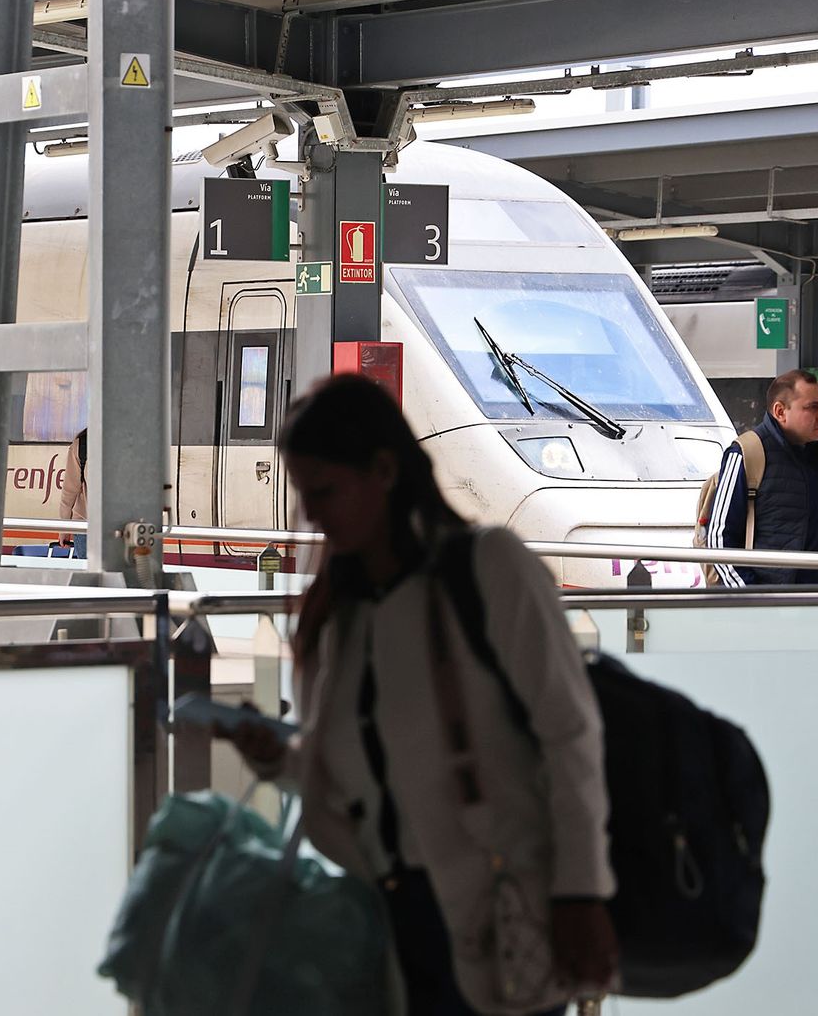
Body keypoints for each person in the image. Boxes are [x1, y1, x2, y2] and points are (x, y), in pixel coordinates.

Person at [219, 374, 616, 1016]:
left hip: (501, 922)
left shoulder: (487, 569)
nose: (313, 515)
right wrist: (279, 759)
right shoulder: (342, 614)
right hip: (387, 924)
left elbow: (570, 735)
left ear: (383, 469)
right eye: (304, 495)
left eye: (325, 491)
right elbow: (362, 779)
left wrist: (581, 893)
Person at [705, 368, 818, 585]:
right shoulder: (748, 452)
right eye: (813, 407)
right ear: (780, 411)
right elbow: (719, 540)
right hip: (774, 604)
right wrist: (754, 596)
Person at [59, 427, 87, 552]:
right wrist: (64, 527)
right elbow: (69, 492)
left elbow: (68, 492)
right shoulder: (81, 446)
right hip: (85, 528)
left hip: (120, 528)